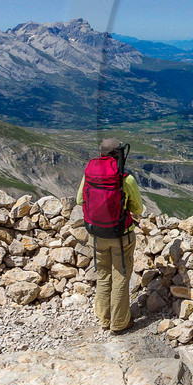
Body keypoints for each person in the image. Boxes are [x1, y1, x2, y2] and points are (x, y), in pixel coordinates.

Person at [77, 138, 144, 333]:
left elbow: (80, 199)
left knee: (103, 274)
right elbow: (137, 208)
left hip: (96, 235)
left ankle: (103, 319)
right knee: (121, 276)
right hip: (121, 235)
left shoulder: (89, 173)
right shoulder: (125, 178)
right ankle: (120, 322)